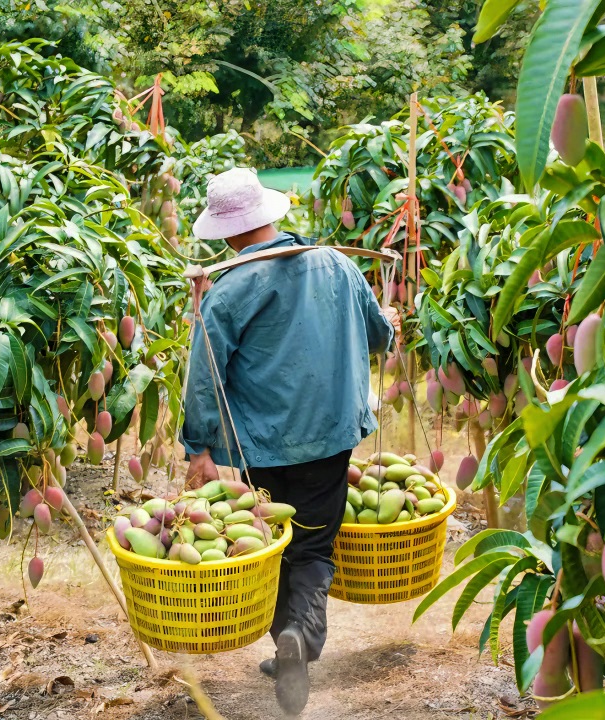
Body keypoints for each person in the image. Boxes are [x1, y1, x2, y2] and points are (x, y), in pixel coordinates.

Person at [181, 167, 398, 715]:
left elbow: (203, 374)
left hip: (263, 445)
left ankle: (289, 641)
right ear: (273, 215)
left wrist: (198, 449)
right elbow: (378, 336)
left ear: (228, 233)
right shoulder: (339, 265)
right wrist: (390, 320)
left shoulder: (230, 290)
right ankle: (297, 637)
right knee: (313, 547)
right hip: (330, 438)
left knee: (274, 541)